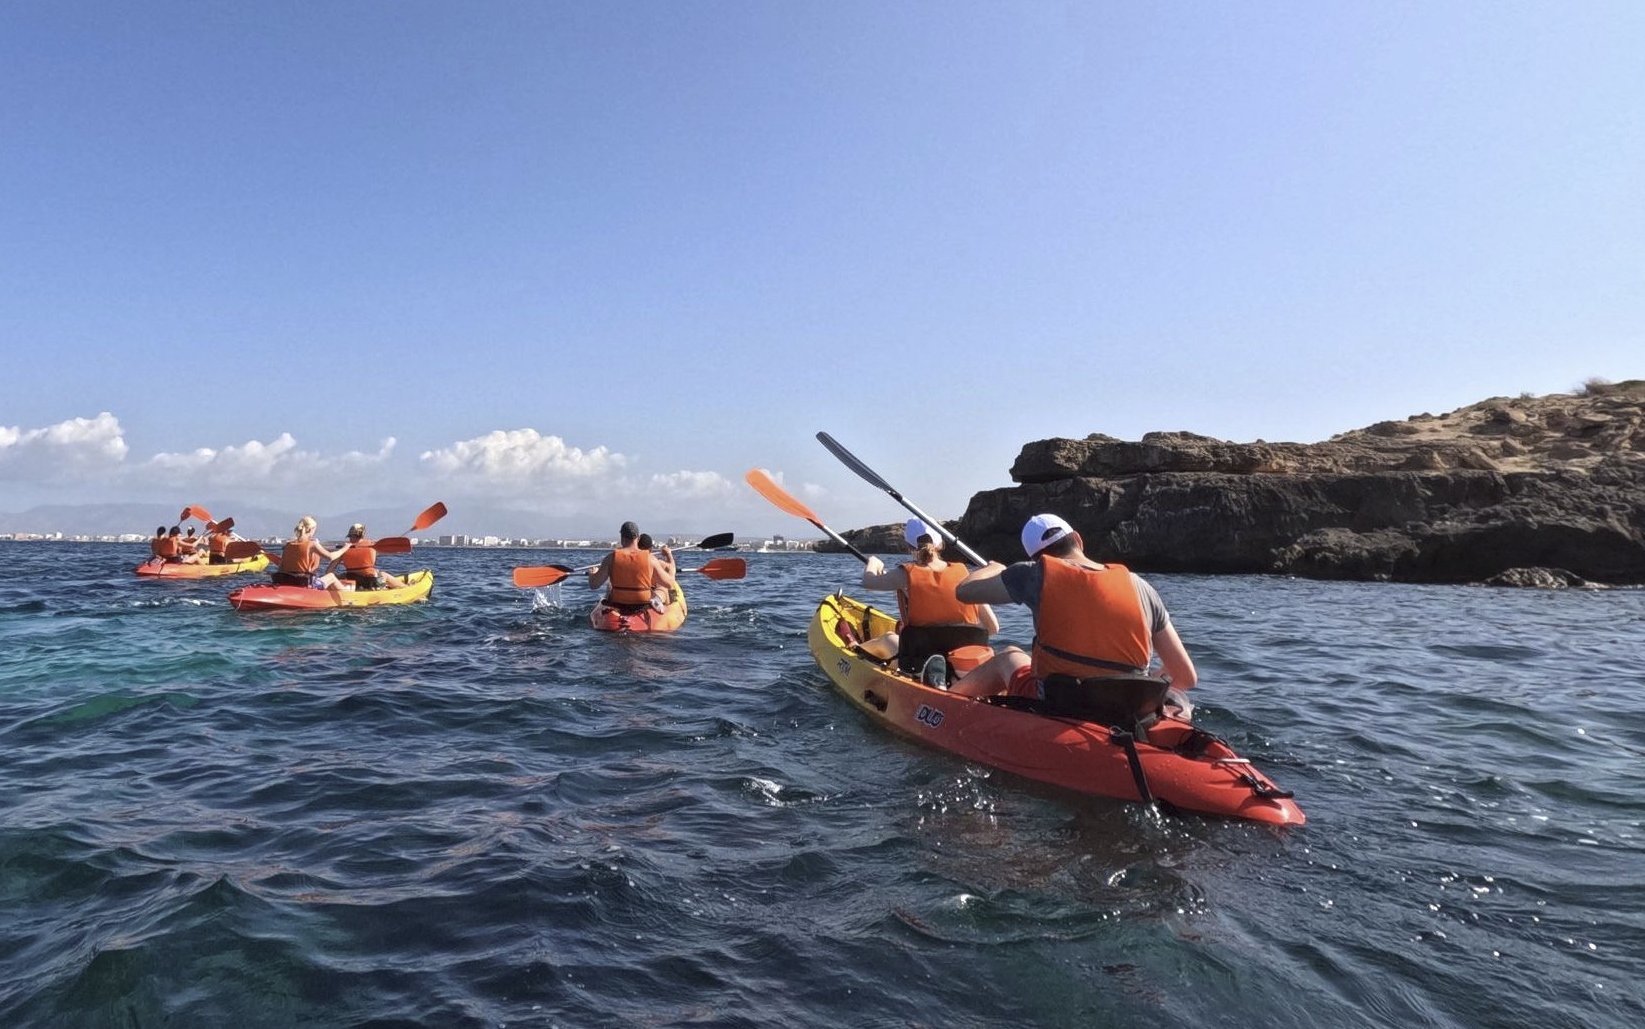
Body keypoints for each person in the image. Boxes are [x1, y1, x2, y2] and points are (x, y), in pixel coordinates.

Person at [952, 514, 1197, 709]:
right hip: (1127, 705)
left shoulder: (1032, 574)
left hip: (1060, 701)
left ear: (1036, 558)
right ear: (1078, 540)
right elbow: (1185, 677)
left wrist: (993, 568)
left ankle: (942, 701)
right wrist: (1140, 687)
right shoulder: (1142, 587)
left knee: (1009, 656)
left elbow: (964, 591)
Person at [858, 518, 1000, 688]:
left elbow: (868, 582)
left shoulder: (904, 574)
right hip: (965, 657)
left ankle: (854, 651)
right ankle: (953, 675)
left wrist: (873, 562)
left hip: (919, 656)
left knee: (889, 638)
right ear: (940, 545)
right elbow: (993, 628)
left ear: (910, 547)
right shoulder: (965, 574)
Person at [589, 521, 677, 613]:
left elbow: (594, 585)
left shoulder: (610, 558)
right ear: (638, 539)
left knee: (610, 587)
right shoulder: (651, 559)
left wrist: (592, 574)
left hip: (618, 604)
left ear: (622, 538)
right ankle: (656, 600)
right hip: (642, 604)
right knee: (663, 588)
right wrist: (669, 556)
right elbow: (670, 584)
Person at [270, 515, 347, 590]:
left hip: (286, 581)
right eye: (315, 530)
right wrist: (345, 548)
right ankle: (348, 597)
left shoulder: (288, 545)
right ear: (310, 530)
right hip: (304, 584)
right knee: (331, 576)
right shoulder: (312, 544)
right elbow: (331, 557)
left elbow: (281, 567)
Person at [324, 523, 408, 591]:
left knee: (341, 575)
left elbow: (329, 571)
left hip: (352, 581)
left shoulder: (344, 549)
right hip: (370, 582)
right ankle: (406, 589)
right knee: (383, 574)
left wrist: (339, 577)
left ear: (350, 535)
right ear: (363, 534)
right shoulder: (372, 545)